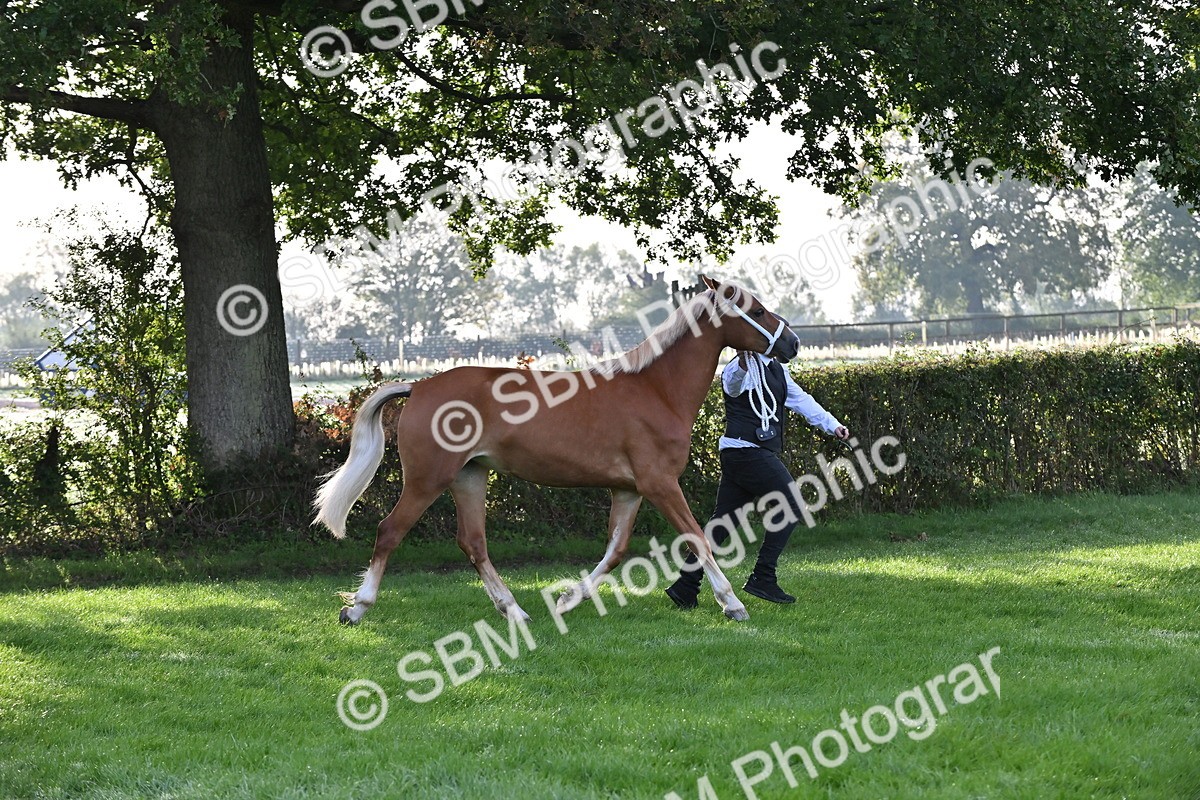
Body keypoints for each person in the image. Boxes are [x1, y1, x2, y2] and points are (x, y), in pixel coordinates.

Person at [665, 350, 849, 607]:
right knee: (792, 505)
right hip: (747, 452)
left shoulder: (777, 370)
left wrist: (833, 425)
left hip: (742, 454)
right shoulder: (737, 367)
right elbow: (732, 384)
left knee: (724, 521)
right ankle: (763, 576)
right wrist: (742, 361)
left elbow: (801, 400)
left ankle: (685, 584)